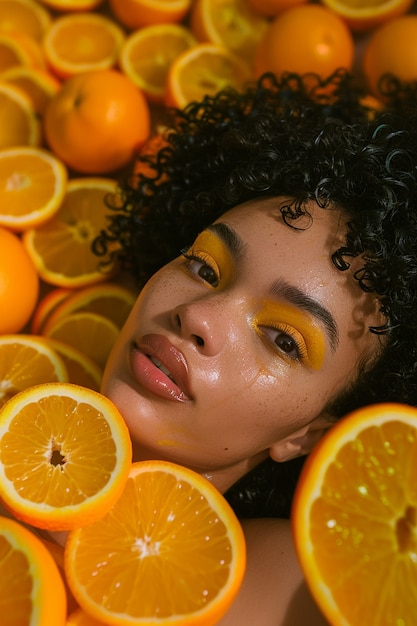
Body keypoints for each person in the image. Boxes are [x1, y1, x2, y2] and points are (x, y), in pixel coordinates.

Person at [94, 70, 417, 625]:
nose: (197, 316)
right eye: (205, 266)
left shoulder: (287, 589)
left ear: (308, 435)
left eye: (283, 339)